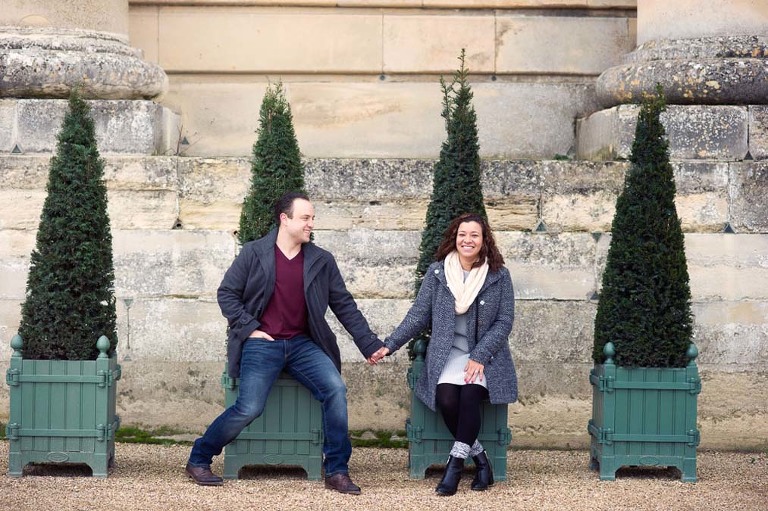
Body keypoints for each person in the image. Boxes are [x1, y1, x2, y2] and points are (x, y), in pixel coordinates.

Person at [186, 192, 384, 495]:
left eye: (312, 218)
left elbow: (344, 305)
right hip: (262, 344)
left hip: (303, 344)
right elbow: (226, 293)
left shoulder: (321, 260)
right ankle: (199, 458)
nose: (311, 223)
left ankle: (337, 470)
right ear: (285, 219)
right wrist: (249, 328)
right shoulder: (253, 253)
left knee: (336, 390)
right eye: (305, 217)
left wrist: (368, 343)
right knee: (249, 407)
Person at [368, 213, 517, 496]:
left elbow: (504, 321)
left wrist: (480, 355)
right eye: (463, 234)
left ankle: (455, 465)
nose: (467, 240)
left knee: (471, 394)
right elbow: (417, 316)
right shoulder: (438, 273)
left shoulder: (499, 275)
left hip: (482, 355)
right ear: (454, 237)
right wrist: (389, 345)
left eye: (474, 235)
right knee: (448, 398)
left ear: (484, 240)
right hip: (448, 354)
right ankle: (482, 460)